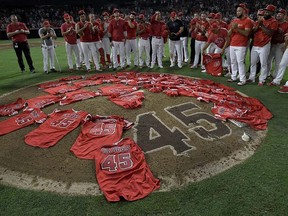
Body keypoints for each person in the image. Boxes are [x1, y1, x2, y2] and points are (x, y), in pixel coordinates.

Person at [247, 4, 278, 86]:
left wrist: (261, 25)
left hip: (264, 44)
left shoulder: (274, 21)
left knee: (263, 63)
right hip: (255, 43)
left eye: (268, 11)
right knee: (253, 62)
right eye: (265, 11)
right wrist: (257, 26)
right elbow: (253, 33)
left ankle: (262, 80)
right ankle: (251, 78)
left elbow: (270, 33)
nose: (266, 12)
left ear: (272, 12)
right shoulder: (259, 20)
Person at [227, 3, 253, 86]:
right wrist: (232, 28)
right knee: (233, 61)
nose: (237, 12)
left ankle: (242, 79)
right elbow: (228, 34)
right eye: (237, 11)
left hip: (241, 45)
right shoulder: (234, 20)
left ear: (244, 11)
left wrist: (237, 28)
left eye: (239, 11)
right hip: (232, 43)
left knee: (240, 62)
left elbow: (247, 33)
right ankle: (233, 77)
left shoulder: (247, 21)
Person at [267, 9, 288, 80]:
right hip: (271, 44)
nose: (278, 15)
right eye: (278, 13)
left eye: (281, 14)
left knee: (278, 62)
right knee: (268, 60)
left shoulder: (286, 24)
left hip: (280, 44)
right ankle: (267, 73)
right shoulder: (274, 22)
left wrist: (285, 46)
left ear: (284, 16)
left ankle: (275, 75)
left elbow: (287, 37)